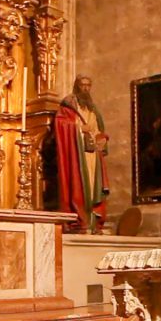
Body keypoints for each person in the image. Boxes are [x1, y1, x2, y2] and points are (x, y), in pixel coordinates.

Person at [54, 75, 109, 233]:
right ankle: (79, 222)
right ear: (77, 86)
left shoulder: (93, 109)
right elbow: (60, 123)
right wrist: (78, 127)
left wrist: (102, 139)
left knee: (94, 188)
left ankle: (94, 223)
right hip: (77, 155)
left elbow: (98, 130)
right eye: (82, 85)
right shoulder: (68, 105)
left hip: (93, 155)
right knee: (79, 186)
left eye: (88, 85)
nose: (85, 88)